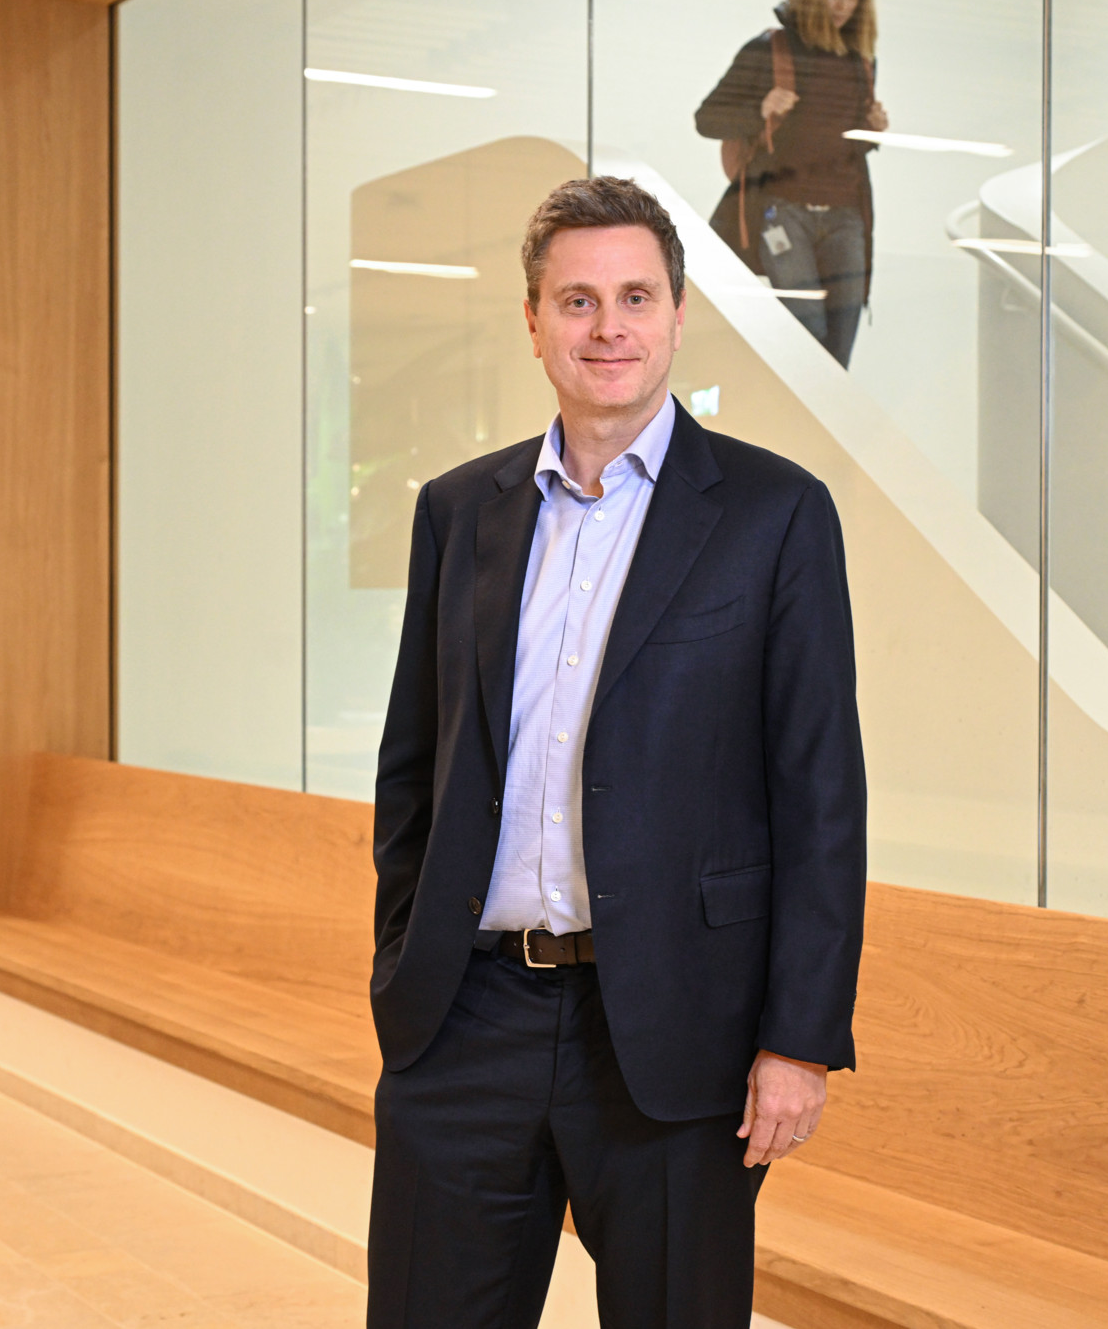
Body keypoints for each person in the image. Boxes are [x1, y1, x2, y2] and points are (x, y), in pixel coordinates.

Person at [366, 175, 867, 1329]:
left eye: (634, 297)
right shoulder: (459, 511)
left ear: (677, 317)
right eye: (577, 300)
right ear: (532, 320)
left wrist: (797, 1039)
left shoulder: (773, 513)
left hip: (678, 1034)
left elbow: (819, 798)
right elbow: (413, 768)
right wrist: (402, 964)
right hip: (464, 1022)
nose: (608, 328)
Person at [697, 0, 888, 368]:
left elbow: (842, 143)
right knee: (807, 330)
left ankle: (821, 411)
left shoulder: (862, 61)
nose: (843, 6)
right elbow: (707, 119)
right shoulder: (770, 49)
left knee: (840, 341)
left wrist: (872, 130)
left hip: (846, 215)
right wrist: (760, 108)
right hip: (783, 212)